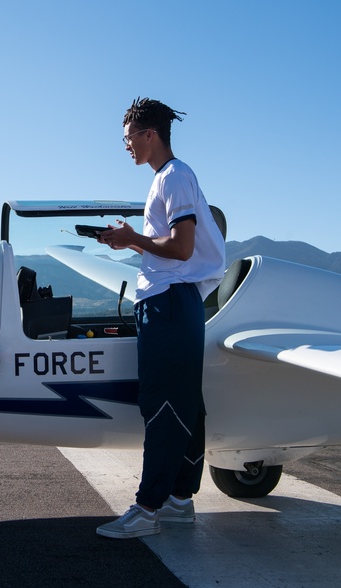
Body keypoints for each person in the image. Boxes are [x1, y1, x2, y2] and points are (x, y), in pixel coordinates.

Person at [95, 97, 226, 539]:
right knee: (184, 401)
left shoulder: (174, 178)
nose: (126, 146)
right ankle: (178, 500)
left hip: (169, 303)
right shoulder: (170, 179)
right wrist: (130, 242)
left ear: (149, 134)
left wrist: (136, 237)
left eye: (128, 137)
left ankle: (148, 508)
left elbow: (182, 249)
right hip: (174, 301)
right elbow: (173, 251)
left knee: (164, 404)